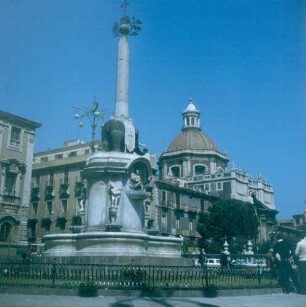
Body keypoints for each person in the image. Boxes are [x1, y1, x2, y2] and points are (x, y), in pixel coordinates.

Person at [295, 230, 306, 294]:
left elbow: (296, 253)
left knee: (303, 276)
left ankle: (303, 290)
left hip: (301, 260)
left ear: (299, 237)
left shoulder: (299, 243)